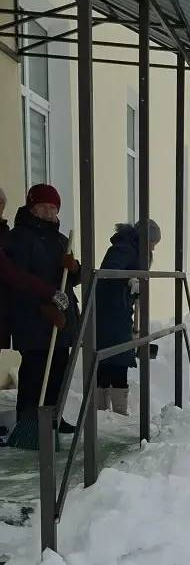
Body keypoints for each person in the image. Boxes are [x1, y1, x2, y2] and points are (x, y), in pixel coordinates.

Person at [6, 184, 80, 430]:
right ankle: (28, 424)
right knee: (35, 371)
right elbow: (17, 279)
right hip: (33, 319)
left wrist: (74, 268)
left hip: (60, 317)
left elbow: (70, 280)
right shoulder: (20, 238)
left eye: (53, 208)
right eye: (44, 207)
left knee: (58, 368)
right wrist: (43, 307)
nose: (50, 212)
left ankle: (53, 419)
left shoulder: (60, 240)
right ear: (32, 208)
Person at [95, 219, 161, 415]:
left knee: (110, 357)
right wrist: (130, 279)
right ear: (143, 239)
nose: (153, 249)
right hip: (111, 312)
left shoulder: (131, 248)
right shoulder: (124, 249)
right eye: (152, 244)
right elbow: (110, 272)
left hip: (117, 310)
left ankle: (103, 409)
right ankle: (114, 410)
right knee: (118, 357)